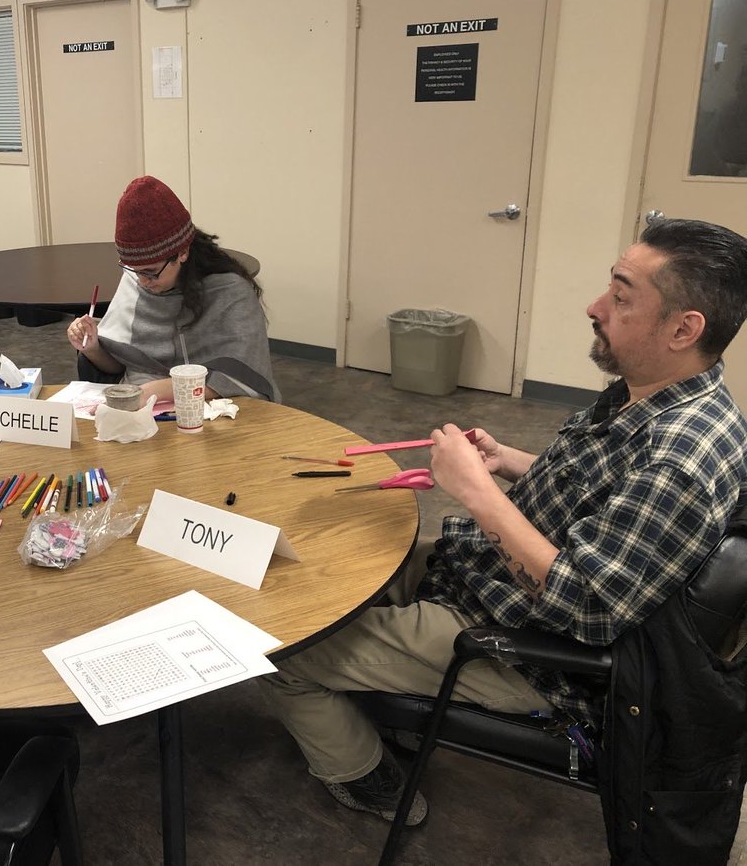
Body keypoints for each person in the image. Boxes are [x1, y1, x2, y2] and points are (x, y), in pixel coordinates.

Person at [259, 218, 747, 826]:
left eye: (621, 297)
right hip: (481, 577)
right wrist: (509, 463)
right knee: (326, 568)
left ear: (683, 328)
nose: (595, 307)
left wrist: (475, 491)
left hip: (528, 650)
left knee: (282, 648)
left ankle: (369, 776)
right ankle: (379, 698)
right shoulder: (652, 393)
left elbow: (587, 609)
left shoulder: (683, 455)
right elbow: (610, 498)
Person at [65, 175, 280, 403]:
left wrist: (147, 392)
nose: (142, 281)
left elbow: (239, 380)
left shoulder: (230, 293)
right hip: (138, 407)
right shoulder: (136, 280)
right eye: (134, 270)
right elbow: (116, 364)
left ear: (182, 253)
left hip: (206, 409)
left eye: (151, 271)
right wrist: (92, 347)